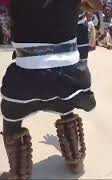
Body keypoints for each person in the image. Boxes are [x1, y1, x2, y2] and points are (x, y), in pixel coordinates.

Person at [0, 0, 102, 179]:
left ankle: (18, 173)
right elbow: (97, 6)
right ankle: (75, 162)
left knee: (10, 121)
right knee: (66, 107)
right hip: (71, 77)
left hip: (26, 76)